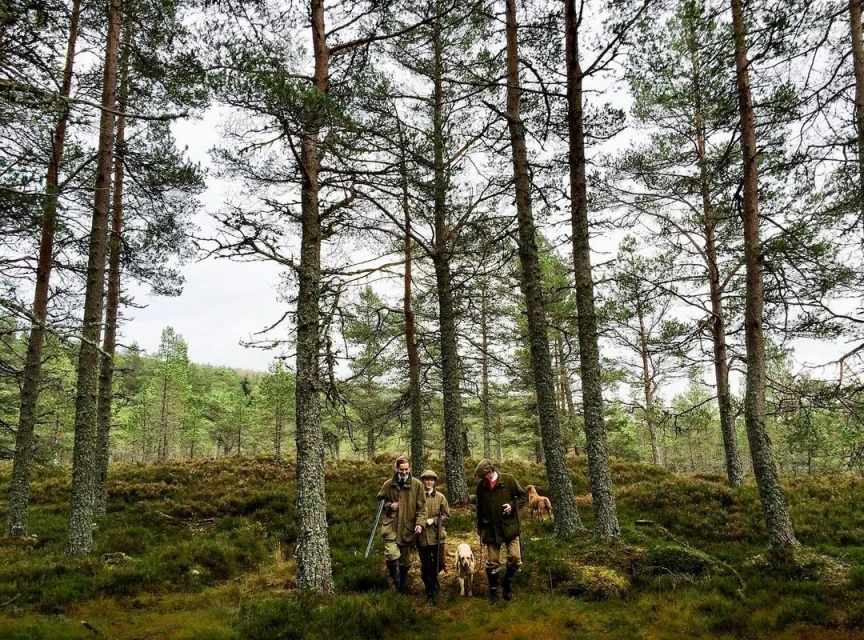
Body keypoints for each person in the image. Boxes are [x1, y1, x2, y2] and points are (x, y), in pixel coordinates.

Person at [474, 458, 526, 604]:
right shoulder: (480, 487)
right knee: (492, 562)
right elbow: (479, 508)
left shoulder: (509, 480)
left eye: (485, 476)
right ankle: (493, 592)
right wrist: (480, 527)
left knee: (515, 558)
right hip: (490, 529)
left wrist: (512, 506)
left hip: (509, 527)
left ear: (491, 471)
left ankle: (507, 583)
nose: (484, 479)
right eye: (482, 477)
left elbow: (522, 497)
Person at [377, 456, 426, 594]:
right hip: (391, 526)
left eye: (406, 469)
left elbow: (422, 508)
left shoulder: (417, 485)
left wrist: (420, 524)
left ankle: (402, 587)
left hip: (408, 528)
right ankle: (395, 581)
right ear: (396, 469)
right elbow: (380, 500)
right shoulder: (388, 484)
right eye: (401, 469)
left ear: (409, 468)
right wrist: (389, 505)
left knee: (405, 561)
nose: (404, 472)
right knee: (392, 554)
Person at [416, 469, 450, 605]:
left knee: (439, 564)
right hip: (422, 538)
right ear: (423, 481)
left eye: (431, 480)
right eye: (426, 479)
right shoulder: (418, 497)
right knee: (427, 565)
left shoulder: (440, 497)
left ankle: (432, 579)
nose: (429, 482)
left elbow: (447, 516)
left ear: (435, 482)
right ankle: (430, 593)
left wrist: (434, 520)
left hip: (437, 537)